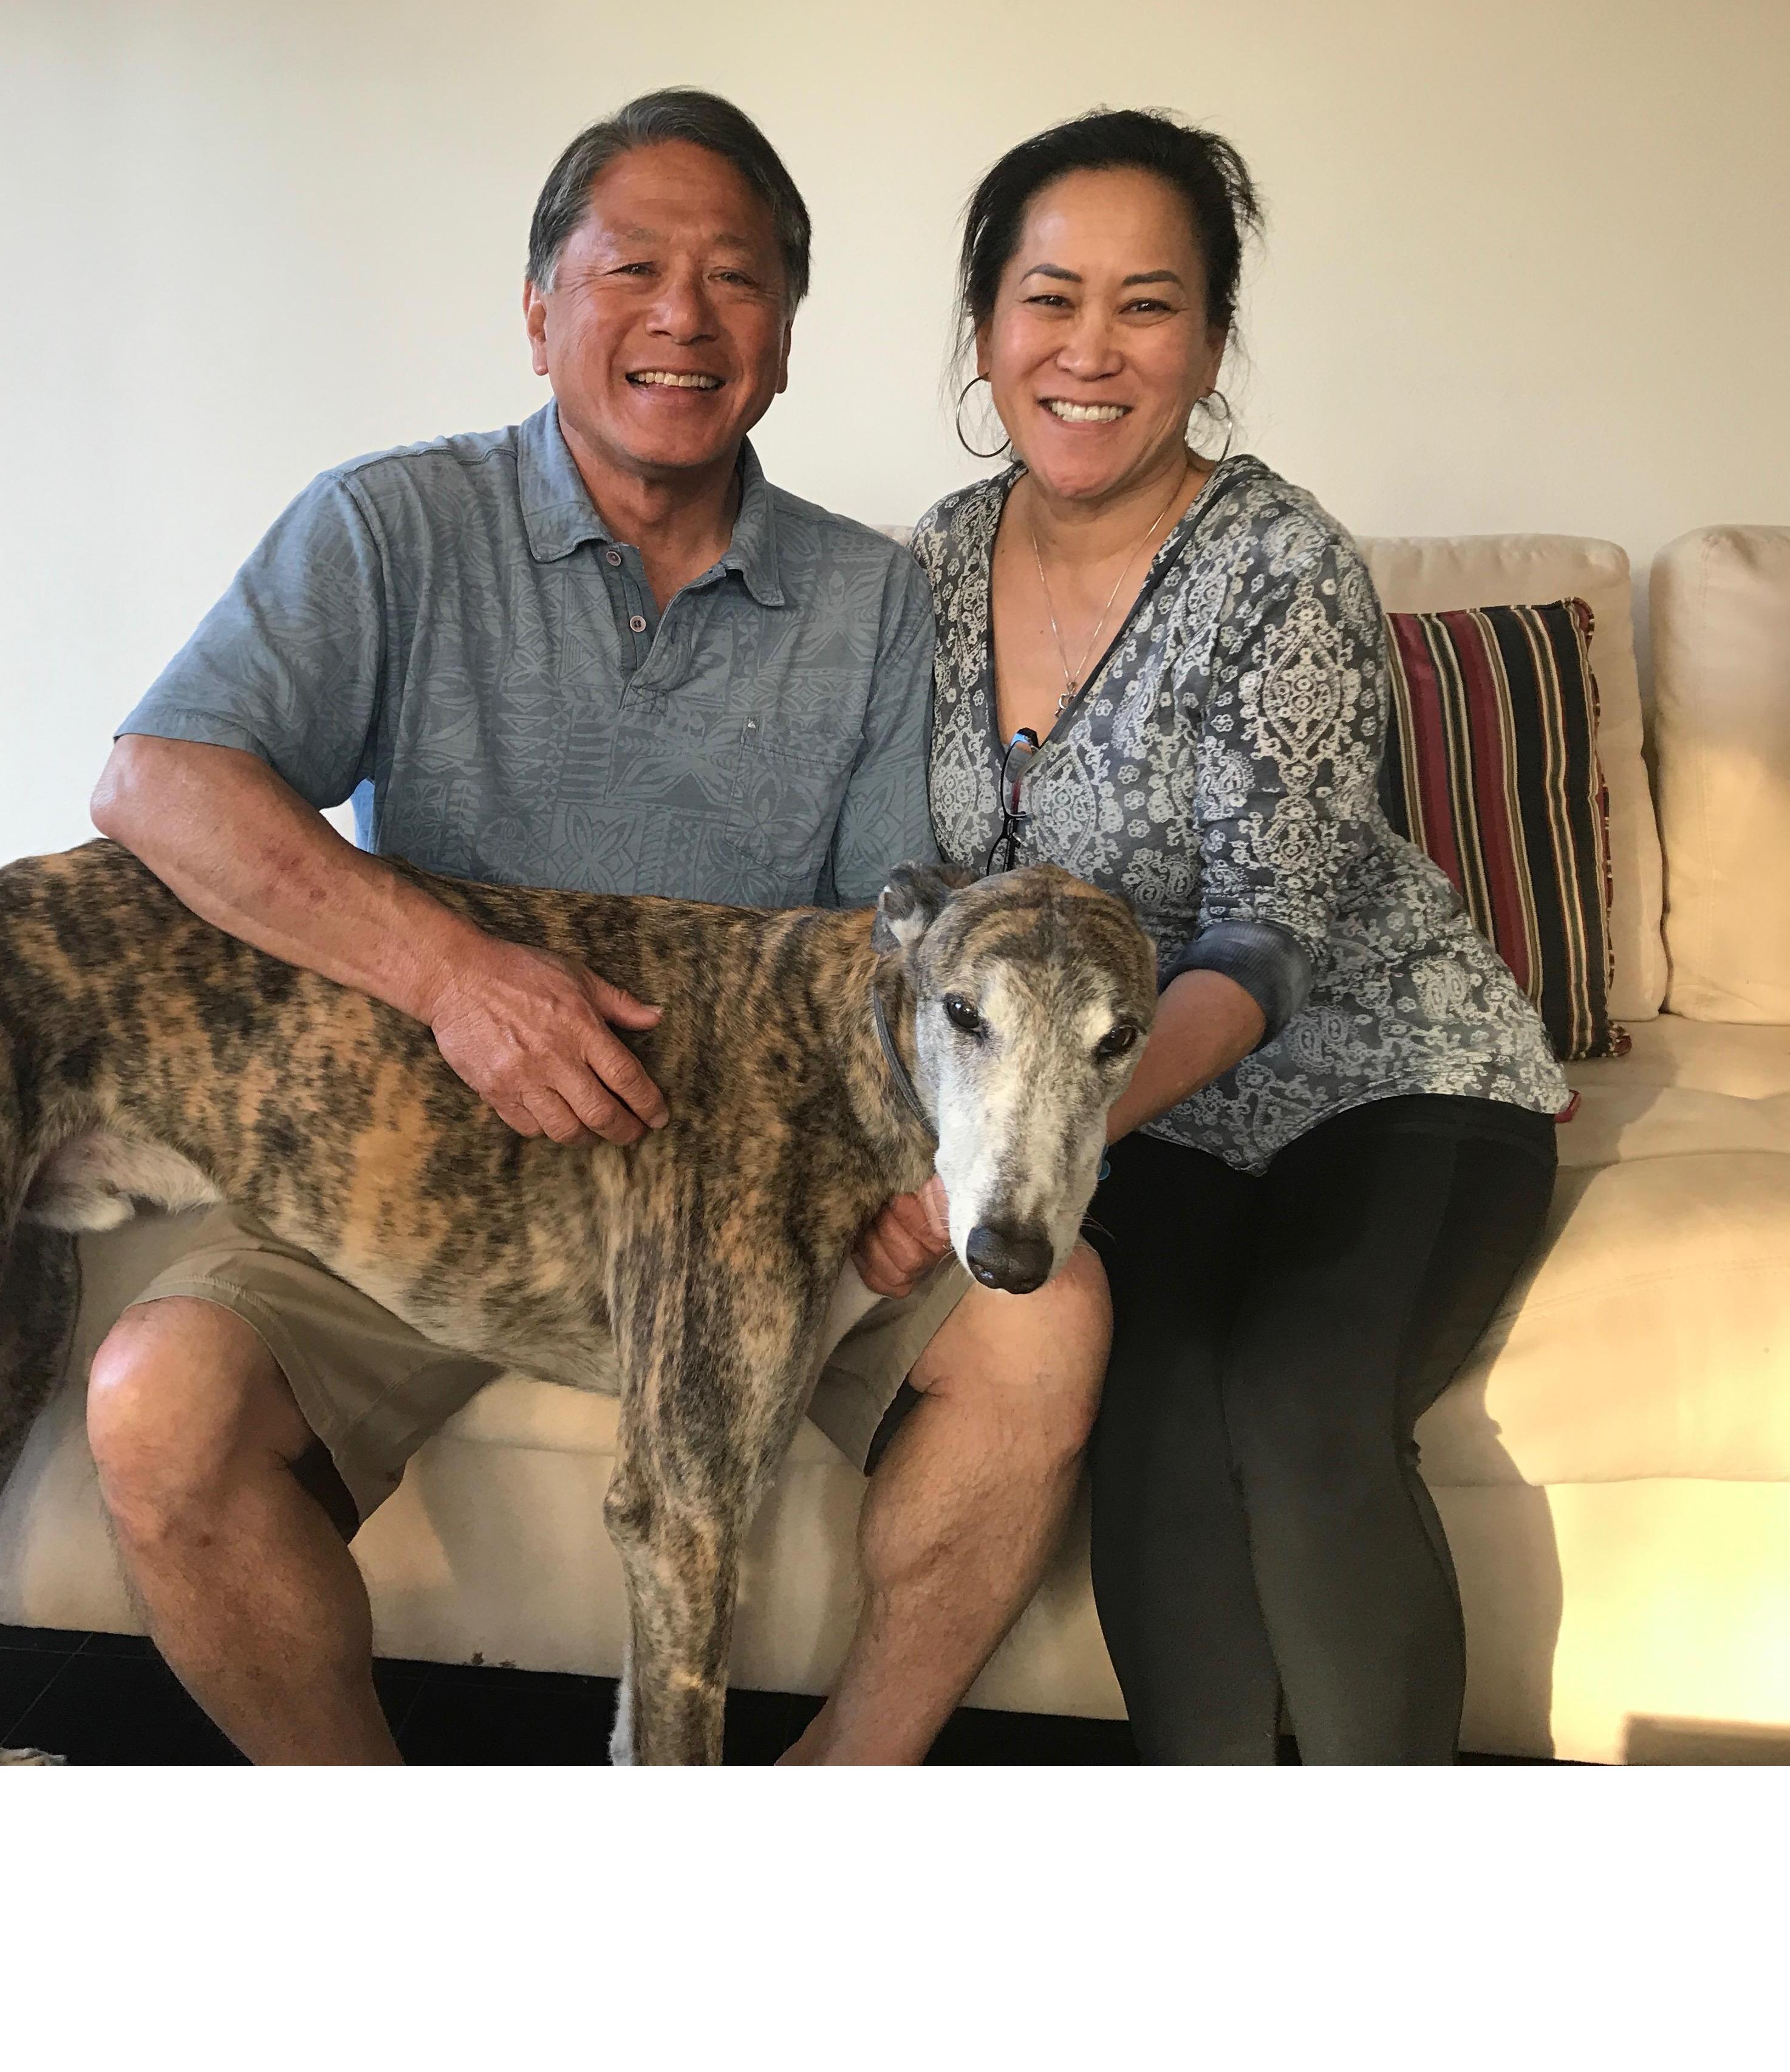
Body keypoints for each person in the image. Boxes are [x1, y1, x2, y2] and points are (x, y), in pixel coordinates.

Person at [82, 88, 1112, 1763]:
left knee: (1049, 1326)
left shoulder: (870, 601)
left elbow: (891, 947)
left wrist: (917, 1184)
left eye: (737, 280)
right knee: (154, 1405)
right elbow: (156, 784)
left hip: (762, 1182)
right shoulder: (390, 530)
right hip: (429, 1158)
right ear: (541, 307)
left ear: (782, 340)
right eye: (633, 267)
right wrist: (453, 977)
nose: (684, 319)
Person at [869, 108, 1568, 1763]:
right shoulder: (931, 568)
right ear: (985, 328)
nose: (1089, 350)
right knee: (1157, 1411)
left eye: (1147, 303)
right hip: (1131, 1122)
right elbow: (908, 911)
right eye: (1049, 298)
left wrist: (1038, 1142)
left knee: (1299, 1402)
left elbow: (1263, 947)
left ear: (1212, 341)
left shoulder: (1284, 566)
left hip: (1380, 1077)